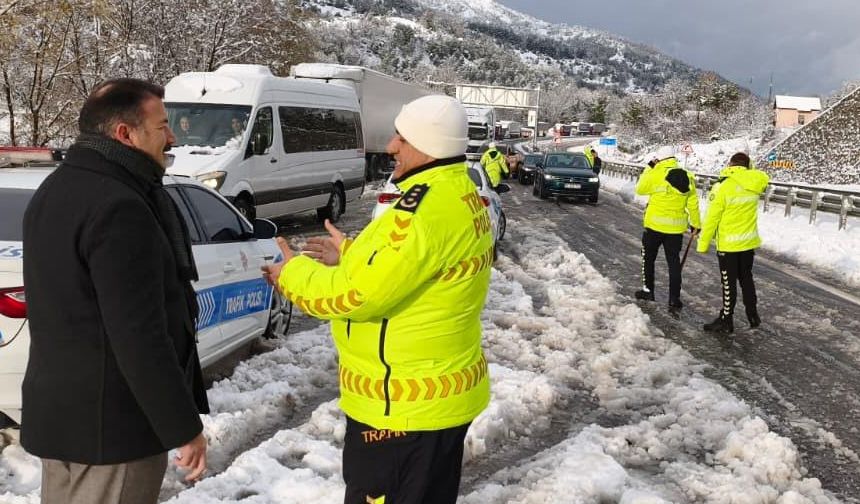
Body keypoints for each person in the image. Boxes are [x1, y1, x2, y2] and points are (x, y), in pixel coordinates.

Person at [262, 95, 492, 504]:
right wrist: (351, 254)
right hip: (434, 400)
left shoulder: (421, 214)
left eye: (402, 137)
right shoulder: (457, 195)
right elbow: (412, 271)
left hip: (403, 410)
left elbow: (359, 295)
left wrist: (293, 273)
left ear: (430, 144)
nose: (391, 147)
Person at [22, 78, 209, 504]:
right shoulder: (121, 206)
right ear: (125, 134)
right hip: (114, 429)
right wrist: (183, 427)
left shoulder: (56, 189)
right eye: (162, 126)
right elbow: (139, 337)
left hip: (64, 419)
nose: (173, 136)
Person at [697, 152, 770, 333]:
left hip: (728, 244)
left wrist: (702, 243)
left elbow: (712, 218)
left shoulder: (722, 187)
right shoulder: (754, 184)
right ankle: (752, 315)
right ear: (748, 166)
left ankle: (726, 319)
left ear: (730, 165)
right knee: (746, 278)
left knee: (729, 283)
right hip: (747, 242)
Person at [633, 146, 701, 310]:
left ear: (659, 159)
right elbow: (693, 204)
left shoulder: (655, 173)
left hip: (654, 227)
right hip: (675, 230)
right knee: (674, 263)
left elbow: (640, 189)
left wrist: (649, 168)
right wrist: (696, 224)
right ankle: (674, 298)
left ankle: (648, 291)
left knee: (648, 260)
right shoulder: (687, 176)